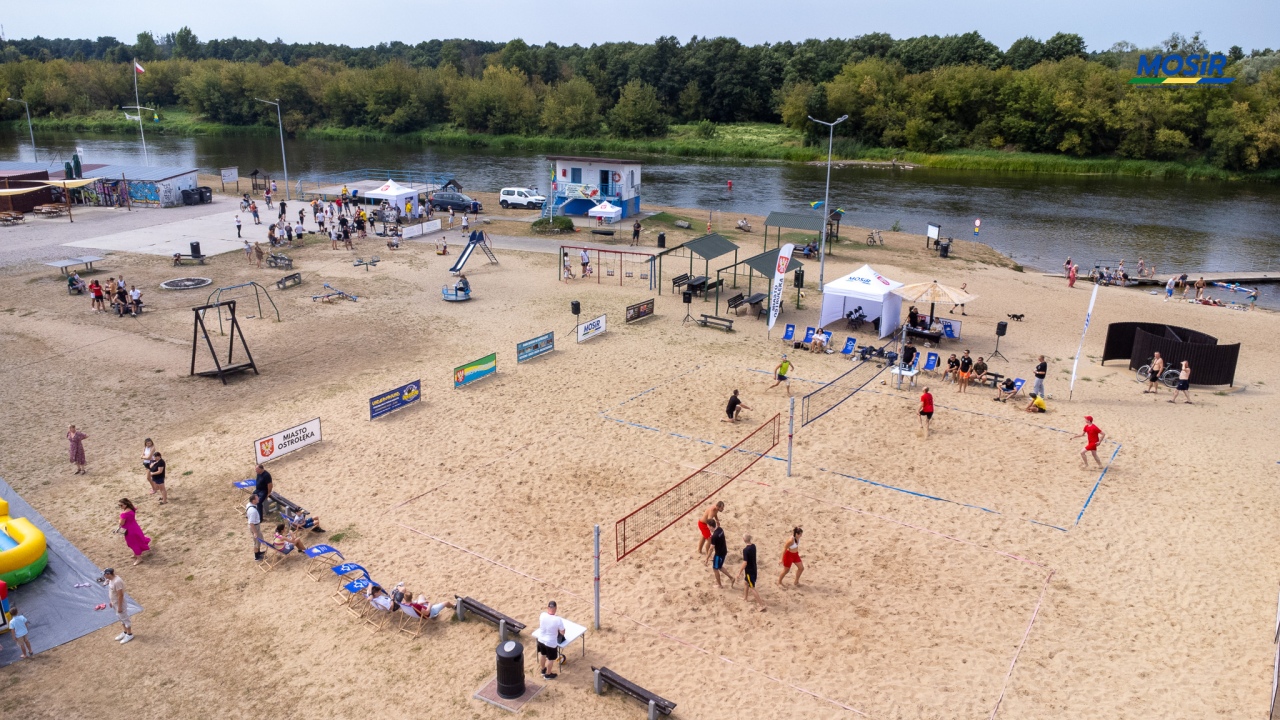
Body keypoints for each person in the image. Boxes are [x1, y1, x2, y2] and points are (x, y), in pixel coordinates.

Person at [731, 534, 765, 611]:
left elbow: (745, 562)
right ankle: (745, 598)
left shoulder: (745, 550)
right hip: (754, 568)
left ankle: (761, 605)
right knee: (746, 583)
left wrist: (739, 572)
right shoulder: (753, 546)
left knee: (752, 588)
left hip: (749, 571)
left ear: (744, 540)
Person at [535, 600, 566, 679]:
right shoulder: (557, 619)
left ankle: (543, 670)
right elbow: (562, 631)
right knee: (550, 659)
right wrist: (559, 634)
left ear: (547, 607)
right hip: (550, 642)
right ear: (555, 608)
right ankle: (548, 674)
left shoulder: (542, 615)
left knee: (542, 654)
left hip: (541, 639)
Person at [116, 499, 151, 565]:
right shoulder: (132, 509)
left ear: (125, 505)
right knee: (137, 540)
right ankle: (135, 554)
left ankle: (139, 558)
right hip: (135, 527)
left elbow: (122, 523)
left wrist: (119, 520)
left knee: (133, 543)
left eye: (121, 505)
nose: (120, 507)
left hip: (129, 530)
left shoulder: (124, 514)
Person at [104, 568, 133, 643]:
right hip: (114, 603)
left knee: (125, 618)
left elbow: (120, 595)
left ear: (109, 574)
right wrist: (111, 601)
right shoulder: (110, 580)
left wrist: (119, 607)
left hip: (119, 603)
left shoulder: (117, 582)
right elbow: (112, 591)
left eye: (105, 574)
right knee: (120, 618)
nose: (104, 576)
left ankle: (129, 634)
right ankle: (125, 632)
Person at [707, 519, 730, 587]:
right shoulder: (720, 529)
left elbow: (711, 549)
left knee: (715, 568)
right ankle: (731, 578)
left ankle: (719, 585)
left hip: (719, 554)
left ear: (711, 526)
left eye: (708, 527)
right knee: (719, 567)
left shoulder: (714, 536)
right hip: (724, 550)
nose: (708, 528)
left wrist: (707, 558)